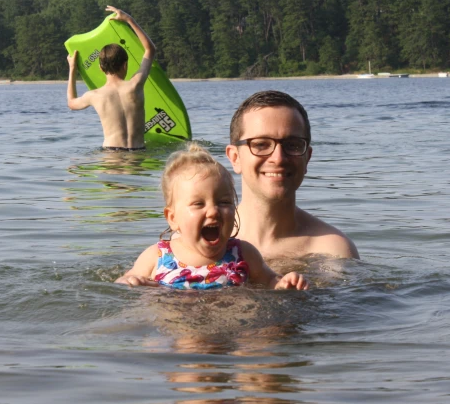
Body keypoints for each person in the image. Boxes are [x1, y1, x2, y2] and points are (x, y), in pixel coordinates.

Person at [115, 143, 309, 290]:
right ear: (172, 218)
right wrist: (129, 281)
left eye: (224, 202)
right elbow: (126, 281)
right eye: (198, 204)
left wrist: (284, 284)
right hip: (176, 335)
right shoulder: (157, 257)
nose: (213, 211)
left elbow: (269, 281)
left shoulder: (244, 254)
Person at [225, 90, 360, 261]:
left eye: (293, 145)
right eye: (261, 144)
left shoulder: (332, 251)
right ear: (235, 158)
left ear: (307, 158)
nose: (278, 158)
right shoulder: (195, 242)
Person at [66, 6, 155, 150]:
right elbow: (150, 50)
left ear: (101, 68)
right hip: (138, 153)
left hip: (110, 154)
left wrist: (72, 69)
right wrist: (128, 19)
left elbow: (71, 103)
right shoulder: (136, 84)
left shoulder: (94, 95)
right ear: (125, 65)